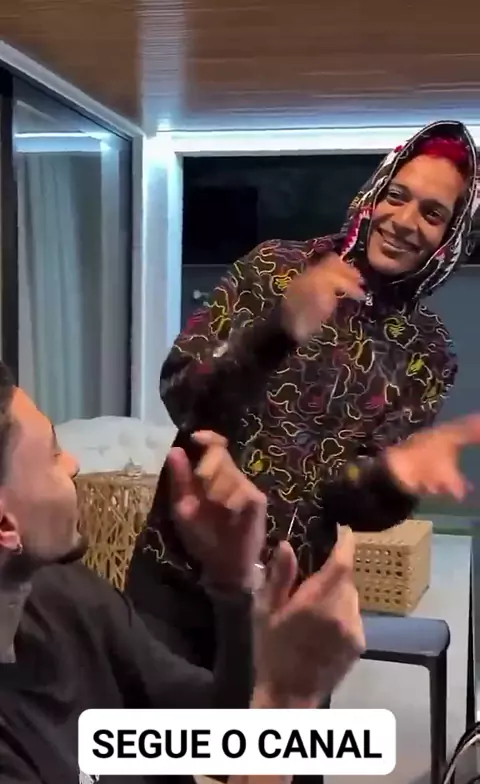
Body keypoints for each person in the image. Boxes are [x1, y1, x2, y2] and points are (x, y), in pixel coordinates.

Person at [127, 119, 480, 670]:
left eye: (432, 214)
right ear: (373, 195)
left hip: (288, 605)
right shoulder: (275, 267)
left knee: (278, 729)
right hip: (176, 577)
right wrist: (277, 331)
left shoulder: (428, 350)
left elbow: (347, 505)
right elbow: (181, 390)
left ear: (450, 239)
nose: (405, 221)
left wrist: (391, 479)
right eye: (397, 196)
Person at [0, 363, 367, 784]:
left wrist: (231, 586)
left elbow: (217, 737)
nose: (72, 464)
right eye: (51, 453)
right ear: (5, 525)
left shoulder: (61, 592)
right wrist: (288, 703)